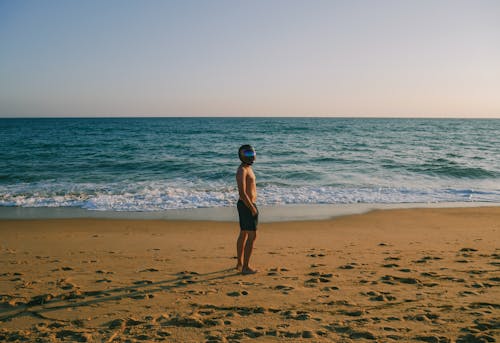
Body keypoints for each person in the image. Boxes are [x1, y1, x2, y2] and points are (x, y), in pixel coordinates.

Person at [235, 144, 258, 275]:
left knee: (244, 233)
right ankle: (245, 267)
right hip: (246, 205)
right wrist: (252, 208)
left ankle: (240, 263)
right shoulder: (242, 170)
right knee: (252, 236)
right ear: (242, 156)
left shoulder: (248, 168)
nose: (251, 157)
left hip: (247, 205)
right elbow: (242, 193)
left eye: (252, 154)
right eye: (247, 154)